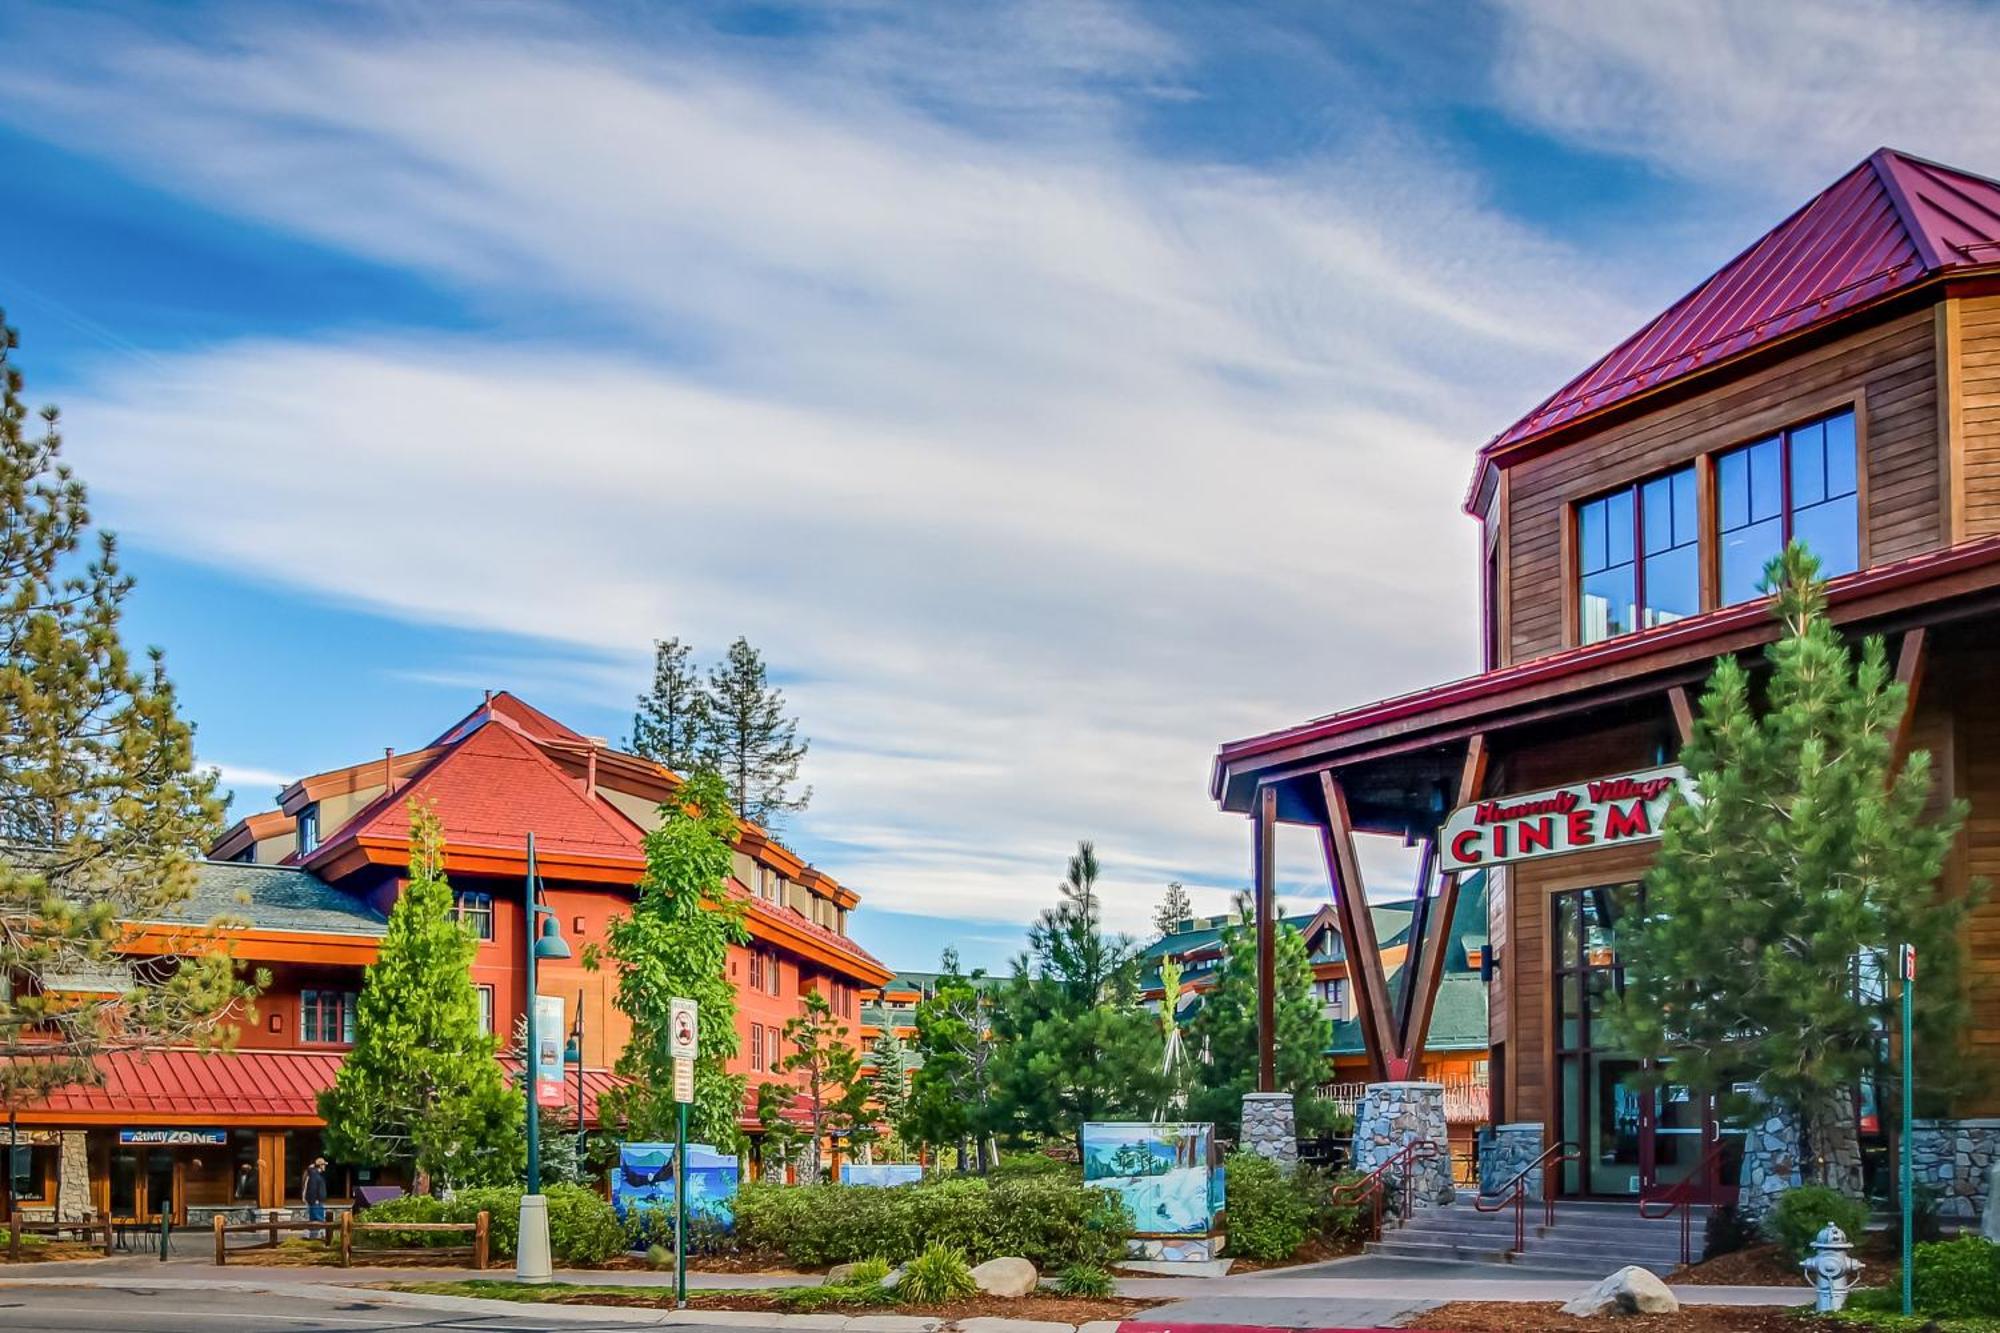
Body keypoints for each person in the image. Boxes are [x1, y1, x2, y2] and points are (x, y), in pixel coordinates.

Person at [303, 1157, 328, 1238]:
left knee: (317, 1222)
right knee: (317, 1222)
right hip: (316, 1203)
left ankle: (315, 1239)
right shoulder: (314, 1175)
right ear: (320, 1165)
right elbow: (313, 1188)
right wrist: (315, 1200)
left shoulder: (315, 1174)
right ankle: (315, 1240)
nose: (325, 1166)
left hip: (317, 1202)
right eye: (324, 1165)